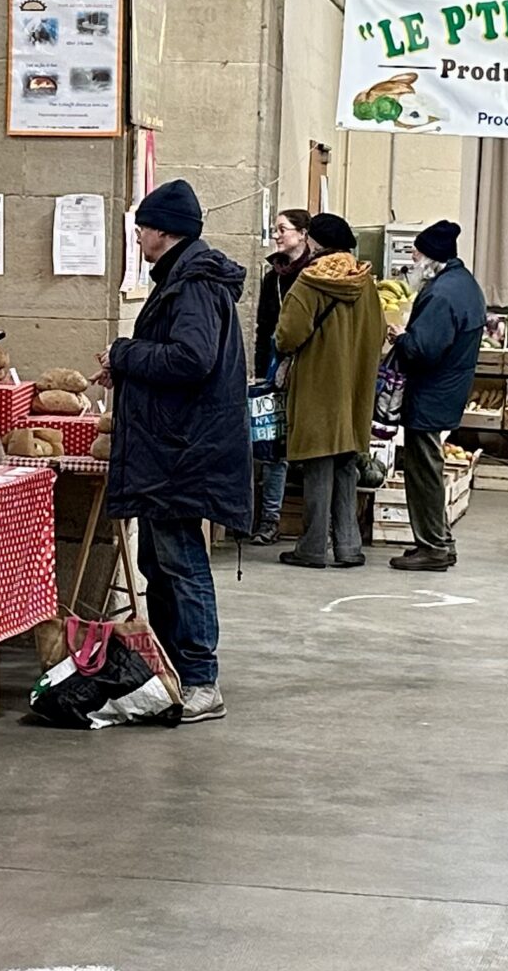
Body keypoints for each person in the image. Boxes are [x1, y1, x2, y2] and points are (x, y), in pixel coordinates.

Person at [97, 179, 251, 723]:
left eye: (141, 226)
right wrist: (129, 367)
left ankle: (201, 679)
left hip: (182, 452)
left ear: (163, 231)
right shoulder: (185, 278)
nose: (137, 235)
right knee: (158, 562)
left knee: (181, 563)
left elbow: (191, 358)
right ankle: (167, 670)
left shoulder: (192, 285)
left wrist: (126, 352)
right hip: (172, 447)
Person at [274, 214, 386, 572]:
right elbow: (380, 330)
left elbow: (288, 333)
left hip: (319, 385)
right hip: (355, 387)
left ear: (315, 242)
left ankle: (311, 547)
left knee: (318, 465)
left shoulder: (311, 279)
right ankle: (349, 545)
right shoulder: (365, 282)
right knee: (346, 465)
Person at [385, 219, 485, 572]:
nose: (413, 262)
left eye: (416, 255)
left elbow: (424, 350)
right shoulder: (464, 285)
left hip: (431, 394)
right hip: (448, 389)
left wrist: (400, 337)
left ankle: (433, 547)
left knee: (424, 472)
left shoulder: (443, 294)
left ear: (432, 258)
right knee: (429, 468)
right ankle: (440, 540)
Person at [250, 208, 314, 545]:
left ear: (303, 233)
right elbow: (264, 326)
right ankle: (269, 521)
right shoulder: (272, 276)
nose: (277, 235)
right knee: (273, 446)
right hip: (276, 366)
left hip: (310, 366)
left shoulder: (316, 273)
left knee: (308, 448)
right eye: (275, 229)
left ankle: (317, 527)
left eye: (283, 229)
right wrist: (262, 371)